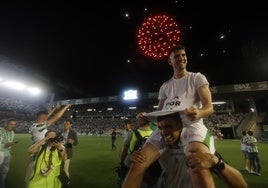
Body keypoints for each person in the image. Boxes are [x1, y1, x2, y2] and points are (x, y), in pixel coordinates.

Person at [122, 111, 248, 188]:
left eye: (168, 127)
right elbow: (145, 176)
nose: (163, 132)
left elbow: (241, 185)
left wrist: (216, 161)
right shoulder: (160, 151)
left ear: (180, 126)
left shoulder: (198, 149)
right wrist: (132, 158)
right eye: (160, 128)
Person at [155, 44, 215, 186]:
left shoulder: (197, 78)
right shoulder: (165, 86)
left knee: (197, 164)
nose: (181, 58)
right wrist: (147, 116)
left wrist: (199, 112)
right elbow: (160, 112)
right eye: (177, 56)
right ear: (170, 61)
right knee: (139, 161)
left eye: (183, 55)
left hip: (191, 126)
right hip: (168, 127)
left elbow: (209, 108)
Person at [25, 104, 71, 186]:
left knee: (37, 177)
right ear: (43, 119)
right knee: (36, 177)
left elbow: (46, 117)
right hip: (39, 153)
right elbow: (55, 117)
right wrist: (65, 108)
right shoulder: (40, 127)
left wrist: (53, 110)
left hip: (39, 150)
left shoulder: (33, 126)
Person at [119, 112, 160, 188]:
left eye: (142, 116)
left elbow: (124, 150)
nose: (141, 116)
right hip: (150, 168)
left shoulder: (132, 133)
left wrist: (121, 162)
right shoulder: (155, 134)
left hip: (132, 167)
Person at [58, 119, 78, 184]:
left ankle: (67, 181)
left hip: (67, 152)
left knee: (65, 168)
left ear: (70, 125)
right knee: (58, 167)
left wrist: (72, 141)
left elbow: (76, 143)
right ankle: (59, 180)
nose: (65, 125)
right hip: (59, 151)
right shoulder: (60, 131)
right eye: (65, 124)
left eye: (67, 124)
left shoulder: (73, 132)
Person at [0, 118, 17, 188]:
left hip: (7, 155)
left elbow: (11, 143)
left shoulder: (12, 132)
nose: (12, 126)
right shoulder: (0, 131)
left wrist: (11, 153)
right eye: (11, 124)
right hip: (0, 153)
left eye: (14, 125)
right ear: (7, 124)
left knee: (4, 172)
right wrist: (5, 145)